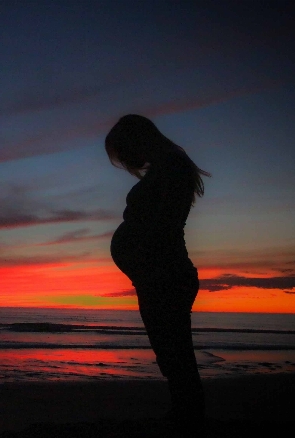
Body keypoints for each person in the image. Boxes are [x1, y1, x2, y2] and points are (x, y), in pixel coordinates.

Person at [105, 114, 210, 436]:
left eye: (122, 152)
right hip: (155, 274)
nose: (124, 161)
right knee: (170, 351)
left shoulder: (172, 167)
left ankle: (188, 419)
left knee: (174, 352)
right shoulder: (165, 168)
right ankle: (185, 414)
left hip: (165, 272)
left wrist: (142, 253)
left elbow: (164, 223)